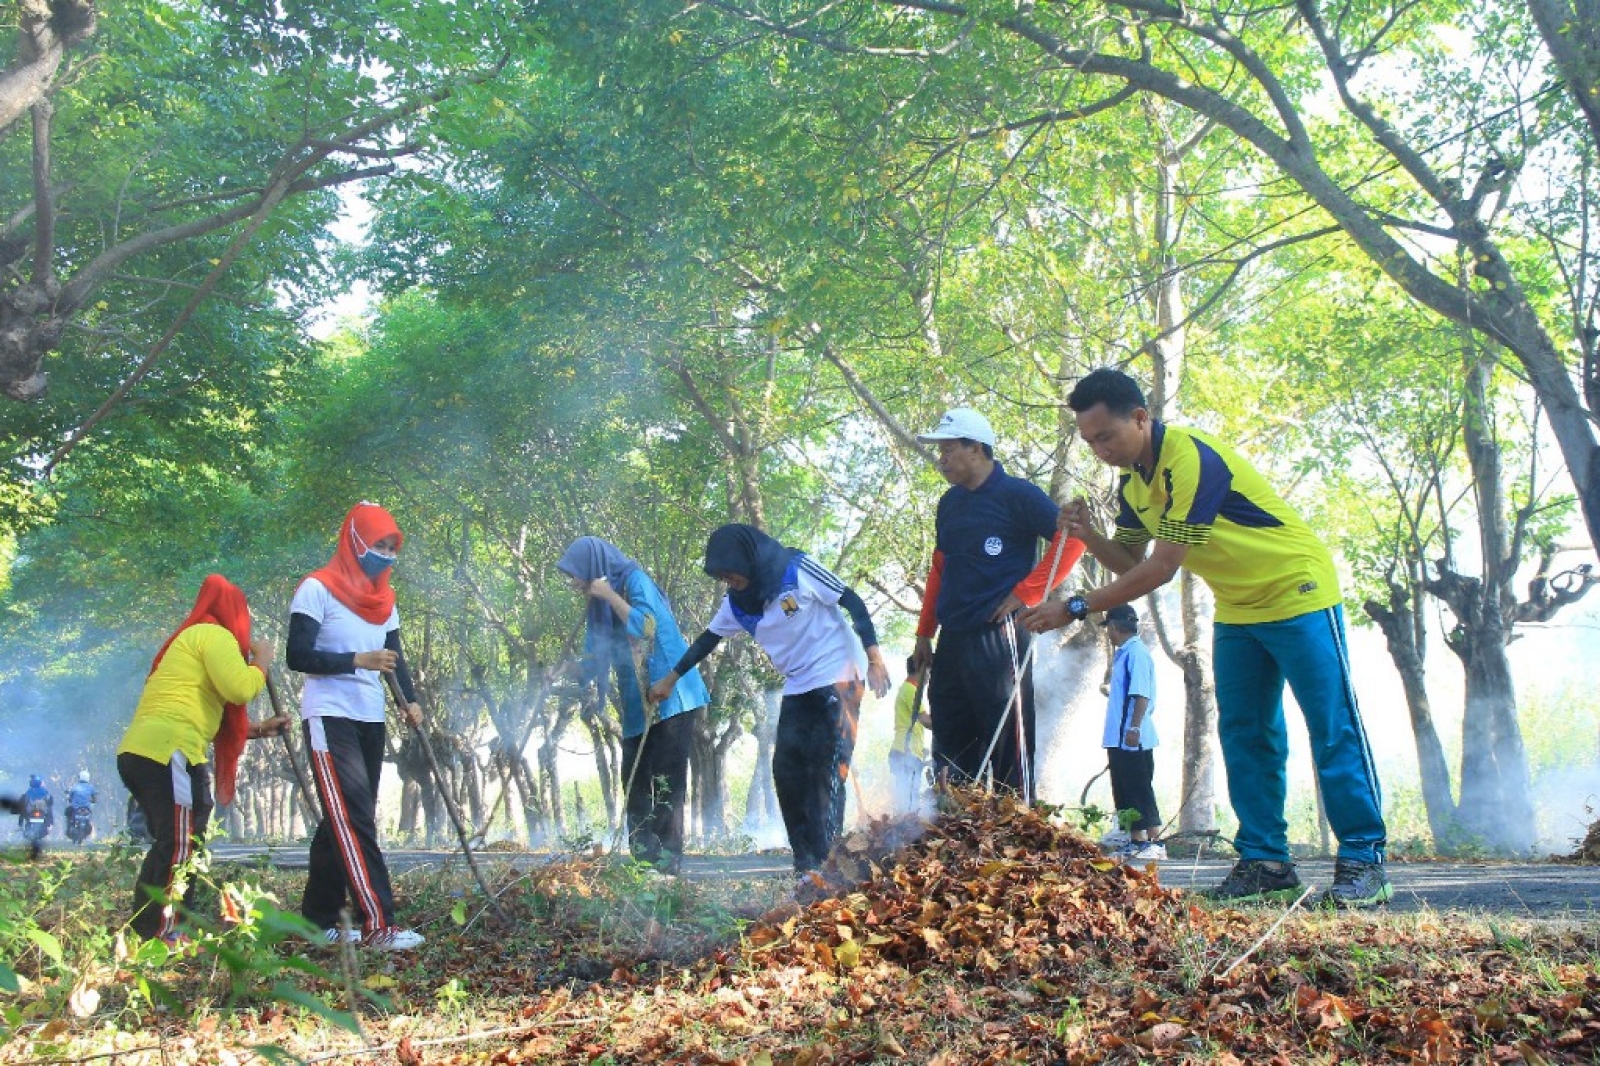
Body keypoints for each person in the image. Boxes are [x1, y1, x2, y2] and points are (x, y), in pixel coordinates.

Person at [1021, 368, 1389, 909]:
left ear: (1141, 418)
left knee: (1331, 725)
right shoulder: (1133, 483)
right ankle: (1266, 862)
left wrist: (1075, 606)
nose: (1099, 450)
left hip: (1299, 590)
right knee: (1245, 731)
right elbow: (1130, 563)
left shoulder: (1190, 459)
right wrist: (1088, 535)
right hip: (1239, 607)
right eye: (1090, 441)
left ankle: (1363, 860)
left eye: (1107, 436)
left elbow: (1163, 570)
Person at [649, 525, 892, 890]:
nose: (728, 580)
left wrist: (875, 657)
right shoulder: (736, 603)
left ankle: (827, 867)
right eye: (721, 577)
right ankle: (804, 865)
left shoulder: (798, 570)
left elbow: (851, 601)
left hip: (839, 672)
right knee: (787, 769)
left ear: (748, 558)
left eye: (731, 571)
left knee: (826, 769)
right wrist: (671, 678)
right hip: (798, 682)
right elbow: (707, 640)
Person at [911, 407, 1085, 796]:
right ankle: (953, 832)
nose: (941, 460)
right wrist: (924, 632)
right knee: (951, 732)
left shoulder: (1018, 495)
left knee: (1008, 735)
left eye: (948, 450)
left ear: (976, 448)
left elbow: (1073, 539)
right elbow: (940, 567)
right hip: (952, 636)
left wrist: (1027, 593)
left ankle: (1016, 826)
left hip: (1000, 633)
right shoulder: (950, 503)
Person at [116, 575, 288, 942]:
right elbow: (239, 687)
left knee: (178, 841)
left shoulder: (192, 638)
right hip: (169, 751)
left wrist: (257, 729)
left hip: (151, 751)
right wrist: (262, 661)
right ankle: (161, 932)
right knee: (180, 842)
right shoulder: (214, 635)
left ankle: (155, 928)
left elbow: (196, 709)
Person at [287, 501, 426, 950]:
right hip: (330, 715)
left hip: (371, 715)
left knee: (341, 817)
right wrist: (355, 661)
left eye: (392, 547)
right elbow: (297, 655)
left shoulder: (385, 601)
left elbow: (394, 657)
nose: (385, 554)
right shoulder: (317, 589)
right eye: (378, 545)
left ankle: (318, 920)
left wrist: (412, 700)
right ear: (355, 541)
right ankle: (378, 924)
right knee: (354, 816)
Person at [557, 536, 710, 874]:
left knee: (668, 780)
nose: (574, 583)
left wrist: (609, 595)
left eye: (575, 574)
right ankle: (643, 864)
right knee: (635, 780)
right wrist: (567, 670)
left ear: (593, 569)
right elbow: (594, 661)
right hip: (636, 704)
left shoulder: (634, 581)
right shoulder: (596, 607)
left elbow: (646, 627)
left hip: (670, 693)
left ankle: (668, 866)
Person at [1099, 604, 1164, 862]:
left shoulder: (1135, 653)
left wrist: (1134, 727)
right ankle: (1137, 837)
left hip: (1130, 736)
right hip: (1119, 735)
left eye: (1108, 629)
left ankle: (1148, 841)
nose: (1108, 634)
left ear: (1114, 627)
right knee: (1125, 786)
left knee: (1137, 786)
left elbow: (1141, 694)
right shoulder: (1125, 653)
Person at [888, 657, 930, 810]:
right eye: (928, 670)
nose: (929, 675)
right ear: (920, 669)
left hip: (907, 752)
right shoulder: (911, 690)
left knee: (909, 796)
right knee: (909, 800)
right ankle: (904, 830)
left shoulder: (908, 689)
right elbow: (926, 720)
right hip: (906, 752)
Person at [18, 774, 52, 859]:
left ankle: (21, 825)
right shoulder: (46, 792)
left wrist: (20, 822)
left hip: (30, 815)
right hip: (42, 816)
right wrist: (50, 823)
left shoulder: (28, 793)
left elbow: (22, 807)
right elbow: (50, 807)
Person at [66, 770, 98, 843]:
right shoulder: (91, 787)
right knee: (89, 819)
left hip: (75, 809)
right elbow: (94, 799)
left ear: (80, 777)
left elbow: (70, 798)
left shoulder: (75, 787)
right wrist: (92, 801)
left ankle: (69, 826)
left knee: (68, 814)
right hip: (87, 809)